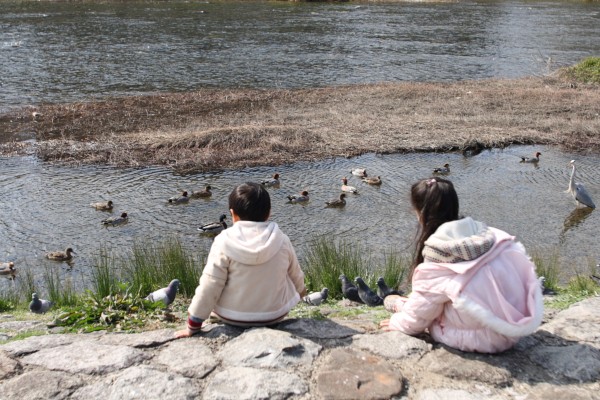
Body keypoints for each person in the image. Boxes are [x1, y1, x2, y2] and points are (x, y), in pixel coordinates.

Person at [380, 177, 543, 353]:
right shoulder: (490, 237)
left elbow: (418, 320)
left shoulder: (439, 255)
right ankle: (404, 303)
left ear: (421, 213)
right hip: (516, 324)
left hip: (487, 337)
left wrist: (398, 323)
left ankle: (401, 304)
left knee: (431, 314)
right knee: (437, 296)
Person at [175, 182, 307, 338]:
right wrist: (301, 293)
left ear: (232, 214)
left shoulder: (223, 241)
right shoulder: (281, 239)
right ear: (269, 213)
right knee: (287, 270)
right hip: (275, 315)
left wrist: (194, 324)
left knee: (217, 280)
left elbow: (210, 285)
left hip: (233, 317)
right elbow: (296, 275)